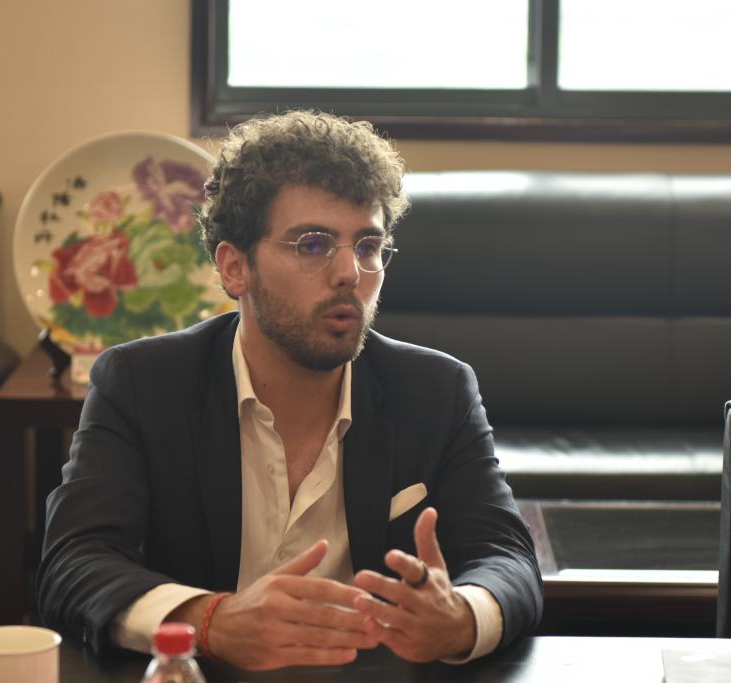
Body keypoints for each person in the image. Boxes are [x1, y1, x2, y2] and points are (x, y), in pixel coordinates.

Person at [37, 111, 542, 671]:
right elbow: (74, 562)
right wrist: (212, 621)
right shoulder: (142, 383)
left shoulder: (436, 390)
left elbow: (509, 559)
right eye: (313, 245)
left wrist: (460, 617)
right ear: (235, 267)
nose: (350, 272)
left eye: (368, 246)